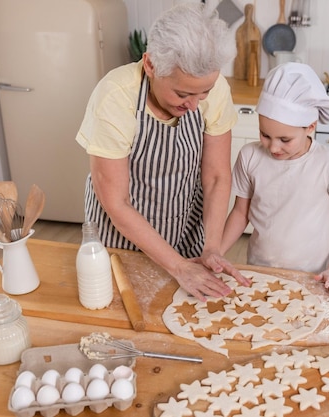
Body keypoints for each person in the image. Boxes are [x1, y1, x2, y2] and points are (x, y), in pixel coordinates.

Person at [76, 3, 249, 301]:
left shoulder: (214, 87)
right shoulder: (116, 97)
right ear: (151, 65)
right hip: (123, 235)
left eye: (204, 93)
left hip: (185, 225)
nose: (194, 105)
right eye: (182, 94)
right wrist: (178, 266)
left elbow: (217, 177)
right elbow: (116, 203)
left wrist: (212, 247)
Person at [220, 62, 329, 295]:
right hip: (259, 270)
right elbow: (240, 212)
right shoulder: (250, 156)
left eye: (285, 140)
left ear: (310, 126)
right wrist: (217, 252)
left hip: (315, 275)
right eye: (265, 135)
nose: (273, 147)